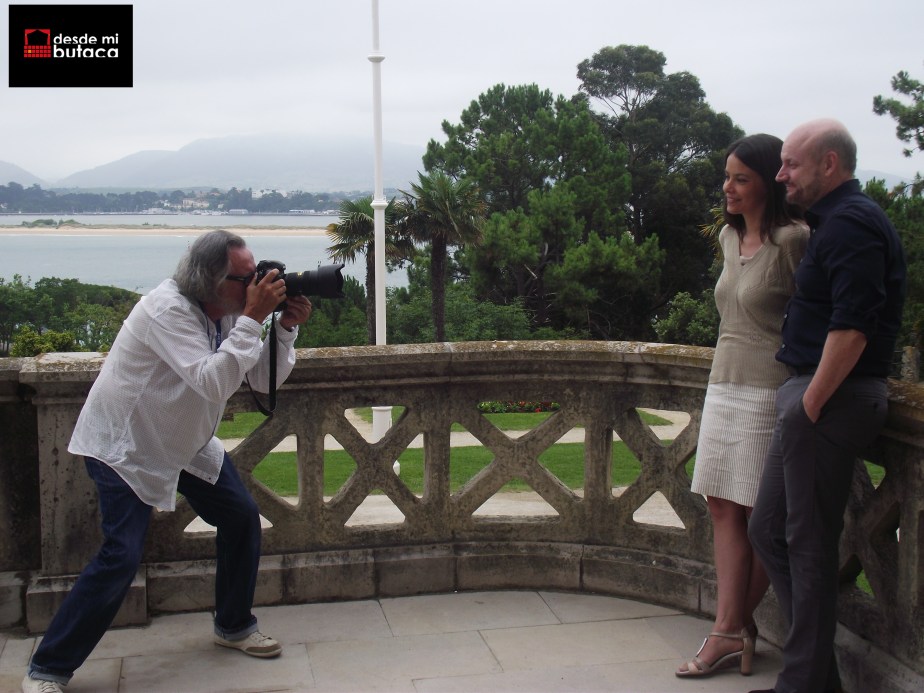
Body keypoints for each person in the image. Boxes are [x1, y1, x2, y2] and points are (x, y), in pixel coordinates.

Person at [22, 229, 313, 693]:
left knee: (242, 521)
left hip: (185, 441)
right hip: (127, 447)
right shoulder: (167, 310)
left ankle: (233, 625)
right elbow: (213, 381)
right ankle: (47, 668)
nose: (258, 284)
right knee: (121, 556)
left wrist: (281, 328)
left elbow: (259, 378)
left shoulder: (228, 312)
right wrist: (253, 318)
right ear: (211, 280)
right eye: (246, 278)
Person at [747, 119, 906, 693]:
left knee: (807, 544)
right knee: (770, 532)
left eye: (790, 164)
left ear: (830, 165)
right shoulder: (833, 223)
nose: (781, 173)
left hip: (832, 397)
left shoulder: (853, 225)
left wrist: (809, 404)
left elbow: (853, 327)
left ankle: (805, 684)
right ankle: (817, 674)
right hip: (815, 395)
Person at [676, 134, 808, 678]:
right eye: (726, 177)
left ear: (767, 183)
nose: (727, 188)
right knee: (720, 503)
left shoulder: (795, 240)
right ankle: (733, 627)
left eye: (740, 178)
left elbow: (813, 319)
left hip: (767, 388)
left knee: (758, 516)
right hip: (724, 383)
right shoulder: (730, 240)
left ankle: (729, 628)